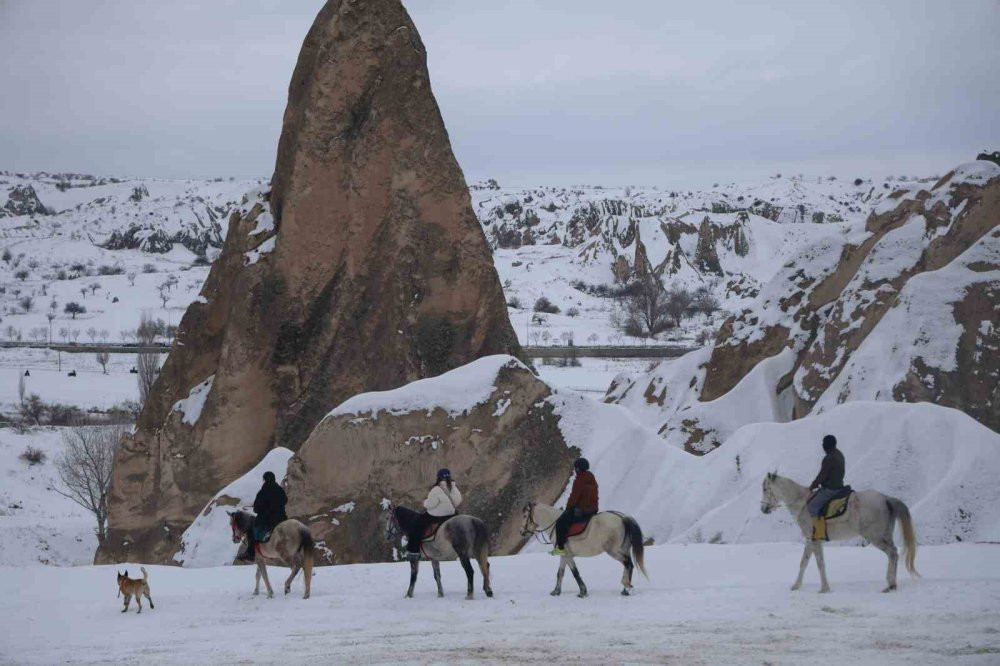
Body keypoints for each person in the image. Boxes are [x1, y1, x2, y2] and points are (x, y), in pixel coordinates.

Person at [403, 468, 462, 560]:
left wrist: (425, 501)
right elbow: (458, 501)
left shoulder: (436, 489)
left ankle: (413, 552)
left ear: (438, 478)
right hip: (451, 514)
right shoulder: (454, 487)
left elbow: (429, 505)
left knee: (416, 525)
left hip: (437, 516)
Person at [551, 458, 599, 556]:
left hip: (583, 510)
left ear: (578, 469)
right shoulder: (591, 478)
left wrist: (568, 507)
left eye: (575, 468)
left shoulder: (580, 480)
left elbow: (574, 496)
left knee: (560, 523)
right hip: (593, 509)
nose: (575, 470)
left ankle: (560, 548)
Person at [238, 471, 288, 563]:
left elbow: (256, 509)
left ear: (264, 480)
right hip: (281, 518)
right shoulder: (280, 490)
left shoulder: (263, 492)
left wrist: (264, 508)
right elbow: (285, 500)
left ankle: (250, 554)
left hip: (267, 520)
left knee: (252, 531)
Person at [807, 434, 845, 540]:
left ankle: (819, 534)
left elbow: (822, 476)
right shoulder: (839, 454)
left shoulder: (829, 458)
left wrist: (811, 486)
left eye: (824, 444)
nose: (823, 446)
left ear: (827, 445)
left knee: (812, 507)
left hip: (830, 489)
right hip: (840, 486)